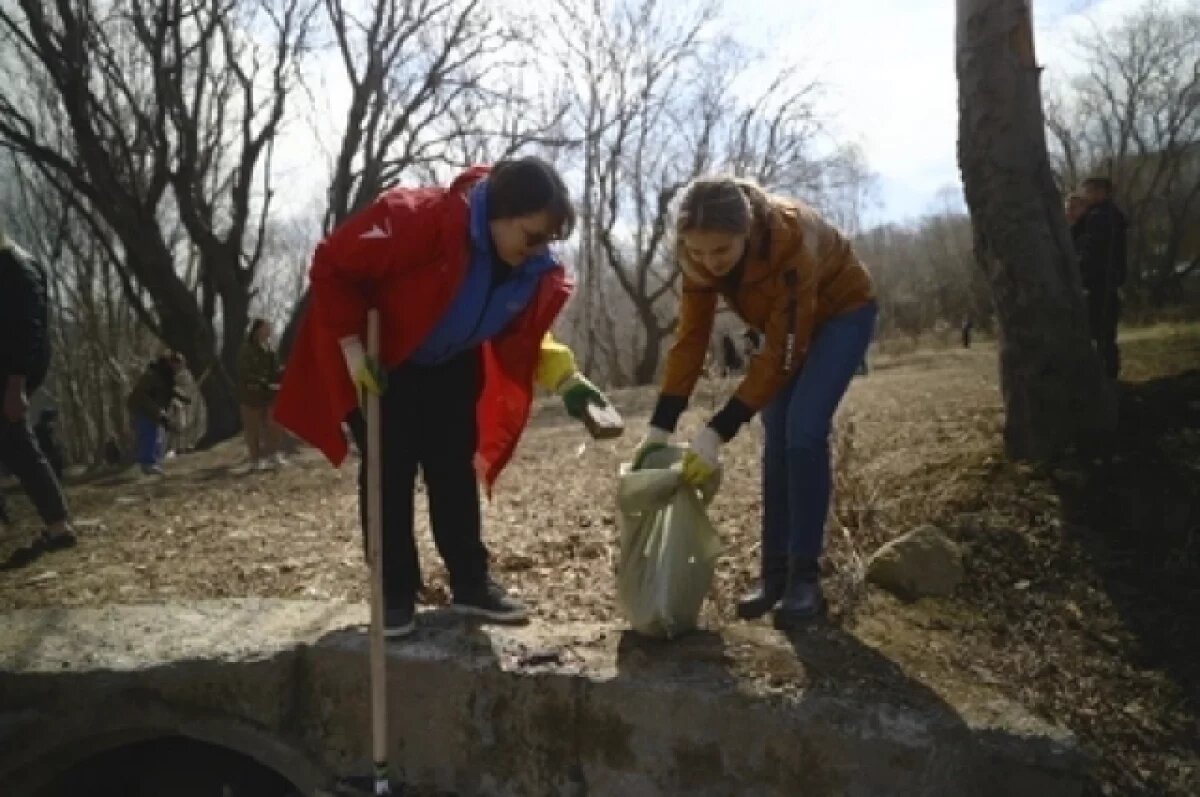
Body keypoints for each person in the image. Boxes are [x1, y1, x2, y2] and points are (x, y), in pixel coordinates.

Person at [275, 157, 616, 638]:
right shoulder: (418, 218)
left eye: (548, 239)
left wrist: (566, 379)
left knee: (453, 470)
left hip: (453, 364)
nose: (539, 249)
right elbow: (333, 263)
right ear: (500, 213)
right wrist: (352, 349)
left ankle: (470, 583)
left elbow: (523, 334)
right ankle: (394, 591)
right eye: (532, 235)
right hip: (386, 362)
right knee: (389, 472)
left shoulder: (526, 268)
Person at [631, 176, 876, 630]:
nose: (710, 262)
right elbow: (691, 339)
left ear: (747, 232)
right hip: (784, 325)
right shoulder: (697, 259)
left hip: (842, 314)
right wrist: (660, 426)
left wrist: (717, 430)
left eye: (721, 251)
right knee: (776, 436)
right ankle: (774, 576)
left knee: (803, 430)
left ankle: (805, 579)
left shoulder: (790, 240)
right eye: (698, 252)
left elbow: (783, 354)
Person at [0, 225, 76, 549]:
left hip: (11, 371)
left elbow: (28, 330)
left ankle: (59, 526)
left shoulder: (16, 268)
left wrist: (16, 383)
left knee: (17, 442)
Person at [1075, 177, 1127, 379]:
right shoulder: (1096, 215)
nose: (1085, 195)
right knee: (1100, 332)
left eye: (1088, 191)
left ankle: (1108, 374)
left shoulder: (1102, 217)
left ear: (1101, 192)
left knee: (1102, 332)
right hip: (1102, 281)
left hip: (1100, 282)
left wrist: (1079, 267)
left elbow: (1093, 250)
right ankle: (1106, 372)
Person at [126, 351, 189, 475]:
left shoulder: (167, 376)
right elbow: (141, 396)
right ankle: (147, 464)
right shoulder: (152, 375)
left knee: (158, 435)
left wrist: (183, 396)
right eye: (177, 365)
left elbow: (169, 389)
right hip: (143, 409)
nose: (179, 369)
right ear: (171, 362)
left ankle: (154, 462)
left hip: (156, 410)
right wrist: (158, 412)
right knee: (149, 434)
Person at [237, 318, 284, 471]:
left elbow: (275, 370)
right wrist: (262, 382)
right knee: (253, 430)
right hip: (251, 395)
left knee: (275, 424)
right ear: (257, 330)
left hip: (269, 394)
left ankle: (273, 454)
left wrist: (284, 373)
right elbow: (244, 372)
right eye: (265, 328)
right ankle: (255, 460)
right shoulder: (247, 349)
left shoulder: (270, 349)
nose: (268, 331)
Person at [33, 408, 65, 479]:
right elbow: (51, 442)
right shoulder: (44, 428)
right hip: (45, 453)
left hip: (46, 453)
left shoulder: (40, 428)